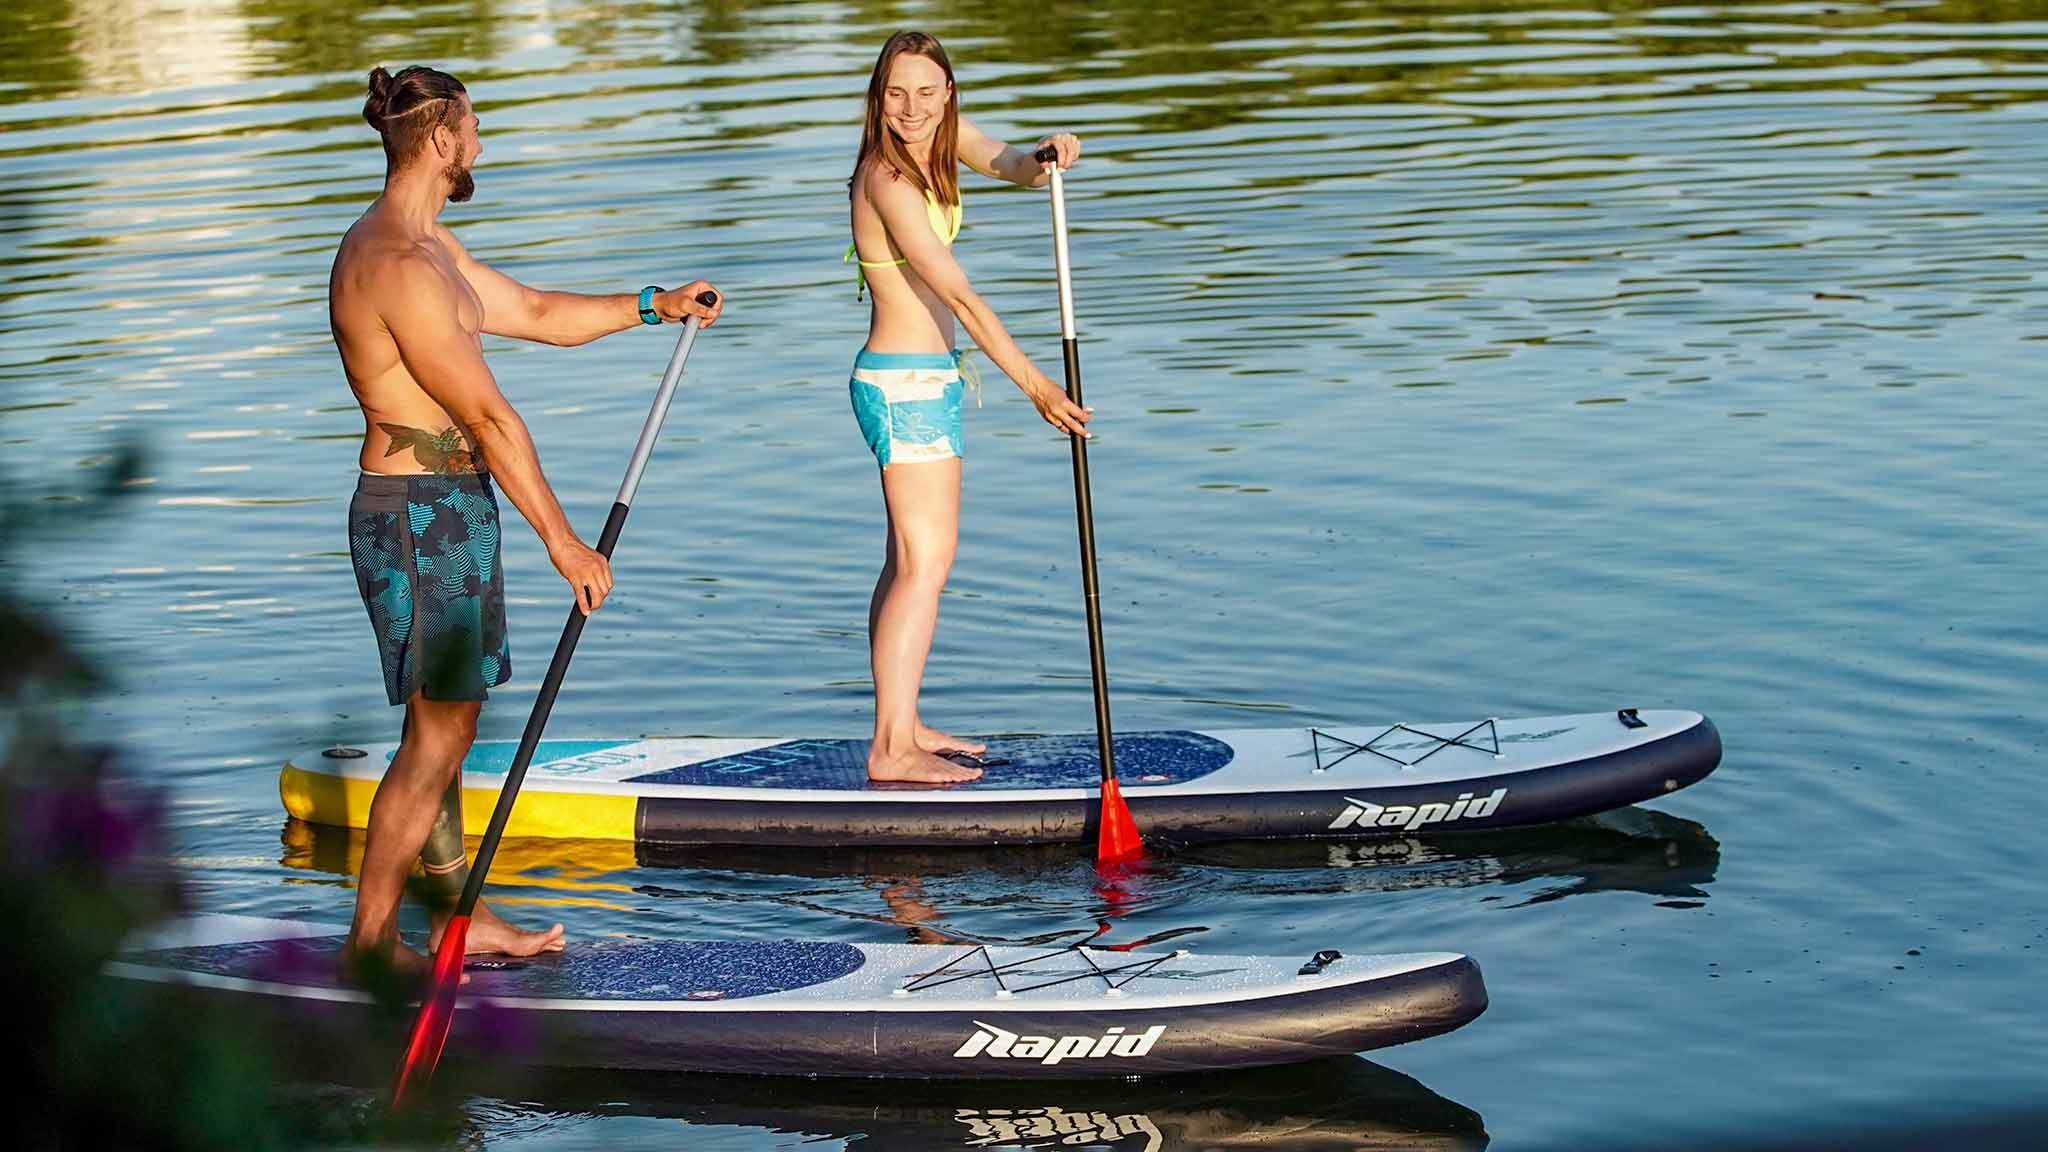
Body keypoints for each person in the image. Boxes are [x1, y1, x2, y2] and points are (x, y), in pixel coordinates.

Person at [330, 64, 722, 979]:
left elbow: (539, 313)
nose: (479, 142)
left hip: (455, 513)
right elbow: (489, 419)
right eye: (472, 127)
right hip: (416, 519)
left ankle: (453, 919)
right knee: (436, 735)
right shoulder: (394, 264)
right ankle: (372, 945)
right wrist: (563, 540)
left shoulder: (434, 245)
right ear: (441, 139)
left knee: (448, 730)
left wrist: (652, 305)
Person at [846, 31, 1091, 785]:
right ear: (878, 97)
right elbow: (960, 296)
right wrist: (1038, 386)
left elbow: (1009, 163)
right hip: (905, 387)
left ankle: (903, 719)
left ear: (947, 92)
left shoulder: (941, 141)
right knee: (926, 562)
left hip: (928, 380)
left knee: (909, 561)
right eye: (896, 92)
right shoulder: (887, 179)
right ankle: (891, 747)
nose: (911, 108)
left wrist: (1046, 155)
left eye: (926, 91)